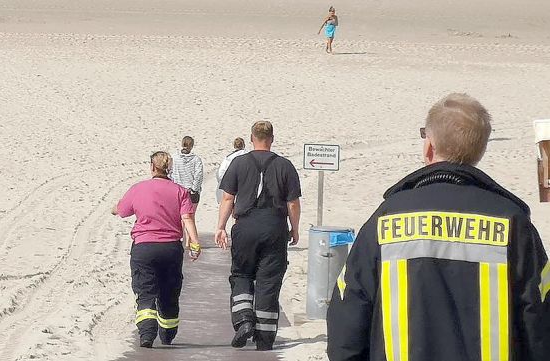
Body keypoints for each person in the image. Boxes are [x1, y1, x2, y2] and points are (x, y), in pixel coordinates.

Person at [327, 93, 550, 361]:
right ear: (480, 150)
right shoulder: (513, 222)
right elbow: (539, 321)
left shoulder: (386, 219)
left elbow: (346, 324)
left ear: (429, 147)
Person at [216, 121, 302, 351]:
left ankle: (244, 319)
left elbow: (227, 199)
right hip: (274, 226)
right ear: (272, 138)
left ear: (252, 138)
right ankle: (264, 340)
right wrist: (294, 228)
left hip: (245, 225)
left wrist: (221, 226)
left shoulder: (238, 163)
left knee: (242, 274)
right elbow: (293, 203)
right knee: (268, 282)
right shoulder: (285, 166)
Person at [114, 151, 201, 348]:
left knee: (145, 291)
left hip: (144, 248)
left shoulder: (138, 189)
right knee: (169, 291)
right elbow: (187, 218)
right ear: (169, 169)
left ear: (152, 167)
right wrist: (194, 243)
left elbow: (121, 210)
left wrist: (114, 208)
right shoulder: (180, 191)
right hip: (171, 248)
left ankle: (147, 334)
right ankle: (168, 333)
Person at [170, 136, 204, 210]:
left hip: (177, 190)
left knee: (178, 215)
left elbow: (169, 173)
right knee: (190, 216)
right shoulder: (196, 159)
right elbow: (198, 175)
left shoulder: (174, 157)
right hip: (191, 191)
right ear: (192, 146)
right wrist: (194, 189)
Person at [216, 137, 250, 203]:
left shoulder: (229, 157)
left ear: (234, 146)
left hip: (232, 185)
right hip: (246, 185)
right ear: (244, 145)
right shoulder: (249, 155)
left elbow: (220, 174)